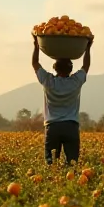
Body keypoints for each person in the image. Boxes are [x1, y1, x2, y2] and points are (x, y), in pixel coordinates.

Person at [32, 35, 92, 164]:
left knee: (52, 165)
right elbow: (86, 65)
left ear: (55, 68)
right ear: (71, 69)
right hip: (71, 126)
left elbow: (35, 63)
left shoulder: (48, 81)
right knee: (72, 163)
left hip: (52, 127)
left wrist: (36, 45)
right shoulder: (75, 81)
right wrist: (88, 48)